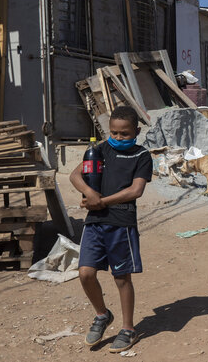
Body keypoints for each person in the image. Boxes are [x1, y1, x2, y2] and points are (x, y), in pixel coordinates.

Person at [69, 106, 152, 353]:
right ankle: (102, 315)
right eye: (114, 133)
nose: (118, 138)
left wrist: (102, 201)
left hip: (121, 223)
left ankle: (128, 329)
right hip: (94, 222)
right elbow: (75, 175)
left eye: (124, 134)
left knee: (121, 277)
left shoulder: (142, 156)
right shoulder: (99, 150)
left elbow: (136, 191)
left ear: (136, 132)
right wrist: (90, 192)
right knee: (85, 273)